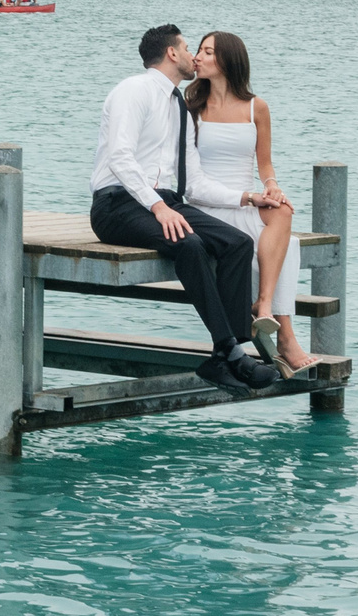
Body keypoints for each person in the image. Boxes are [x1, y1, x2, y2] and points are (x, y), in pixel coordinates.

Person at [89, 23, 281, 394]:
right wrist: (159, 207)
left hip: (164, 201)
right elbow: (119, 158)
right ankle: (233, 353)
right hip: (116, 204)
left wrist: (247, 197)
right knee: (190, 244)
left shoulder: (179, 105)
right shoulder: (134, 90)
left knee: (237, 242)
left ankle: (222, 357)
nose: (195, 55)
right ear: (172, 53)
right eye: (189, 47)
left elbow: (192, 182)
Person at [184, 31, 312, 374]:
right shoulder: (191, 106)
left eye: (207, 52)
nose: (197, 57)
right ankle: (286, 338)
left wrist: (272, 187)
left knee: (283, 211)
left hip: (246, 200)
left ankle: (264, 304)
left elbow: (265, 164)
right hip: (207, 205)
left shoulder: (258, 107)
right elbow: (190, 179)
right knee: (292, 246)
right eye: (197, 50)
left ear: (227, 60)